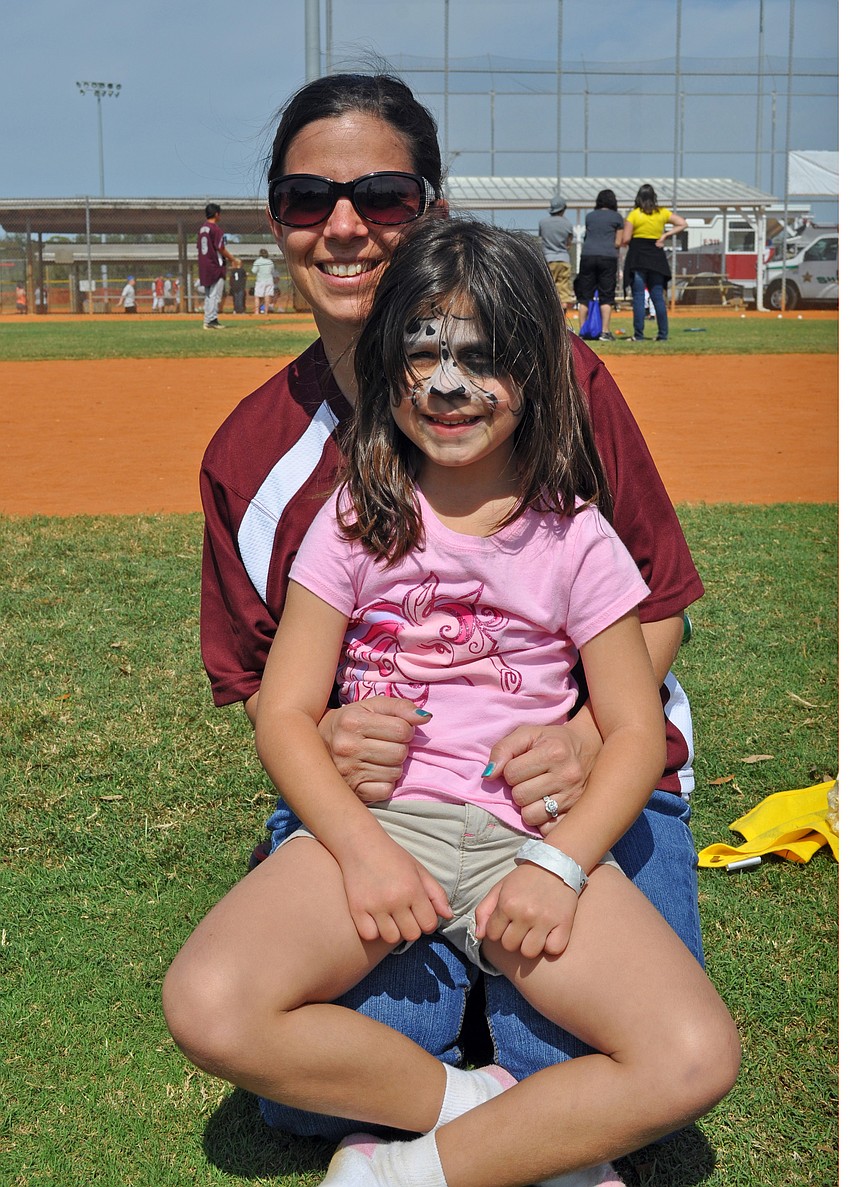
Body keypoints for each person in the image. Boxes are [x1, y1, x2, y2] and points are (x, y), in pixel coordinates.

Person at [180, 73, 708, 1182]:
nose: (342, 226)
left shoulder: (566, 400)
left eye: (380, 194)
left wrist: (581, 748)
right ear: (272, 216)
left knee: (603, 1059)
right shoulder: (273, 469)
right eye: (304, 197)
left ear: (428, 207)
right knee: (328, 1085)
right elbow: (276, 701)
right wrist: (330, 757)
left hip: (557, 798)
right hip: (389, 820)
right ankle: (473, 1109)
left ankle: (432, 1150)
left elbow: (650, 622)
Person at [621, 185, 687, 342]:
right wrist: (665, 235)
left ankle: (639, 335)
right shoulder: (662, 213)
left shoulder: (634, 215)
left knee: (638, 297)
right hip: (656, 259)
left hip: (638, 258)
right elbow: (683, 223)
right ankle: (663, 334)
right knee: (657, 297)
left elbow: (626, 239)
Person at [574, 190, 624, 342]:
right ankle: (605, 332)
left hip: (588, 255)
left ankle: (582, 332)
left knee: (585, 296)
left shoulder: (590, 216)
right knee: (606, 296)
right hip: (607, 256)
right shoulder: (617, 217)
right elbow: (618, 242)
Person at [197, 202, 242, 329]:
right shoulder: (216, 229)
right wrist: (233, 259)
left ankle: (208, 319)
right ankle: (211, 320)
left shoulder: (202, 229)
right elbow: (220, 248)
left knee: (208, 294)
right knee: (215, 294)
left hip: (204, 265)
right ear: (216, 214)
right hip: (215, 266)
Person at [538, 196, 574, 313]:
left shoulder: (543, 223)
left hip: (548, 259)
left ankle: (550, 317)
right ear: (563, 209)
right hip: (563, 259)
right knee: (563, 293)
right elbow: (568, 244)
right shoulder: (567, 224)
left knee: (548, 291)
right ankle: (562, 320)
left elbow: (541, 239)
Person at [251, 247, 277, 315]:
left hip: (260, 281)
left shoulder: (258, 261)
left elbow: (254, 271)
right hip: (269, 280)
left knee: (257, 296)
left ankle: (256, 312)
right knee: (267, 296)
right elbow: (273, 271)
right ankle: (266, 312)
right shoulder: (270, 261)